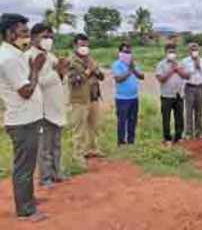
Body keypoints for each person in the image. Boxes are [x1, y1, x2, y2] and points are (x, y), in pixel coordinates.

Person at [0, 13, 47, 222]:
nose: (27, 35)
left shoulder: (15, 54)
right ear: (10, 33)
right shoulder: (8, 58)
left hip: (28, 118)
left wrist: (32, 69)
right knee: (24, 167)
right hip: (22, 121)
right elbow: (26, 91)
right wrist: (36, 69)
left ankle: (27, 199)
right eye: (23, 31)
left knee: (27, 164)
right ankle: (25, 210)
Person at [24, 23, 68, 188]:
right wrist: (57, 72)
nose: (49, 40)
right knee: (45, 146)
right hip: (42, 109)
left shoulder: (50, 56)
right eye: (45, 36)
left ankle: (57, 173)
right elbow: (35, 84)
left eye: (51, 37)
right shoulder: (30, 57)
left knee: (56, 143)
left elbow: (59, 77)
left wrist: (62, 69)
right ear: (34, 37)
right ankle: (45, 177)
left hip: (55, 106)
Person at [68, 34, 105, 169]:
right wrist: (89, 71)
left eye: (86, 45)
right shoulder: (71, 62)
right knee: (79, 128)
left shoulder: (91, 59)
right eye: (81, 45)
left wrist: (96, 70)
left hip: (93, 97)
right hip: (80, 99)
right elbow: (74, 81)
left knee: (94, 125)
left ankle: (92, 149)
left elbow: (102, 76)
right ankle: (78, 155)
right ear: (75, 46)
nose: (84, 48)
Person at [112, 43, 144, 147]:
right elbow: (118, 79)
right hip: (122, 99)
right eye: (125, 52)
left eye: (129, 52)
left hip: (134, 97)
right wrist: (129, 70)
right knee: (122, 121)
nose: (127, 54)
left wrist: (133, 69)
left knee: (132, 120)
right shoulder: (116, 64)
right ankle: (121, 142)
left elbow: (141, 76)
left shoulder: (134, 64)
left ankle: (131, 141)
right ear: (120, 53)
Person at [155, 44, 188, 145]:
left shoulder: (180, 63)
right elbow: (161, 79)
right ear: (165, 53)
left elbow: (186, 76)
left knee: (179, 117)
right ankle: (167, 138)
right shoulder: (161, 64)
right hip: (166, 95)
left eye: (173, 52)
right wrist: (171, 70)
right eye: (170, 52)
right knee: (166, 117)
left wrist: (178, 69)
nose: (172, 54)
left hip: (178, 94)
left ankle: (178, 136)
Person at [181, 43, 202, 139]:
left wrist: (199, 67)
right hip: (189, 87)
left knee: (199, 111)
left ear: (199, 50)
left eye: (196, 50)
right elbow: (182, 74)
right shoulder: (184, 61)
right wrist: (193, 68)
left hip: (200, 87)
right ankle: (188, 133)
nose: (194, 52)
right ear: (189, 51)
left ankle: (199, 132)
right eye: (192, 49)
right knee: (188, 111)